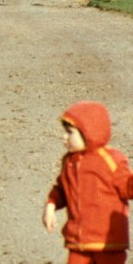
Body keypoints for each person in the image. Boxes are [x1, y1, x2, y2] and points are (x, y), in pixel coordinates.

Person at [43, 101, 133, 264]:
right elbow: (62, 189)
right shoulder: (69, 161)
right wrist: (51, 205)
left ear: (89, 133)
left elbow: (127, 186)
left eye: (70, 133)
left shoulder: (110, 160)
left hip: (108, 243)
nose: (64, 137)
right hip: (78, 242)